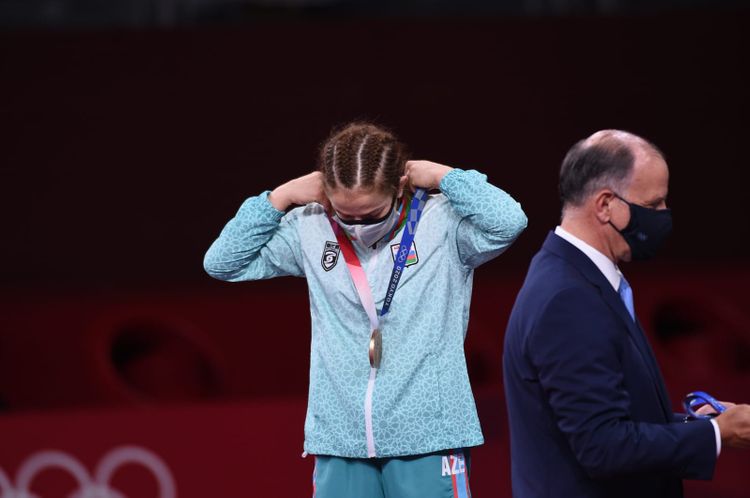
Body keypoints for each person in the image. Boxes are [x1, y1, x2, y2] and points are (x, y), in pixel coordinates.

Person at [204, 121, 528, 498]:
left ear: (399, 188)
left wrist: (446, 176)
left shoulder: (441, 223)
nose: (357, 227)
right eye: (345, 215)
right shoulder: (310, 226)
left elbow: (509, 222)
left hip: (428, 435)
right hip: (341, 439)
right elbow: (222, 263)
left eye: (371, 214)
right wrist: (280, 197)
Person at [502, 129, 750, 498]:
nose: (665, 216)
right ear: (605, 205)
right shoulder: (568, 299)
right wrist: (716, 434)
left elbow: (607, 421)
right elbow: (602, 446)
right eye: (653, 205)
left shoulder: (574, 277)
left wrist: (699, 424)